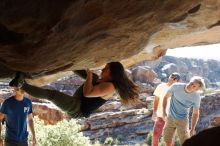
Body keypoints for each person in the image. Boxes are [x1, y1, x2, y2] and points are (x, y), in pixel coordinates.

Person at [9, 62, 140, 118]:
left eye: (105, 69)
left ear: (111, 73)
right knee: (93, 77)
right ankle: (68, 64)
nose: (102, 70)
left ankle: (21, 84)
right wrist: (90, 76)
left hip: (78, 109)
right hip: (80, 100)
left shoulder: (110, 86)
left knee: (52, 95)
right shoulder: (107, 81)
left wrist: (88, 75)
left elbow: (88, 93)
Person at [162, 76, 205, 146]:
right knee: (167, 139)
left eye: (194, 86)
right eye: (191, 83)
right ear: (189, 81)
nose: (191, 86)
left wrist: (192, 129)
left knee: (185, 142)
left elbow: (195, 113)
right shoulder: (176, 86)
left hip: (183, 120)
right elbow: (165, 97)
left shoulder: (196, 97)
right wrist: (164, 112)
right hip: (170, 117)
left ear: (196, 89)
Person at [151, 72, 181, 146]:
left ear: (178, 81)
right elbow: (156, 100)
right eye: (171, 76)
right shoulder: (161, 86)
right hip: (160, 115)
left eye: (175, 78)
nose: (172, 79)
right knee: (155, 134)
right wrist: (154, 112)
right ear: (169, 76)